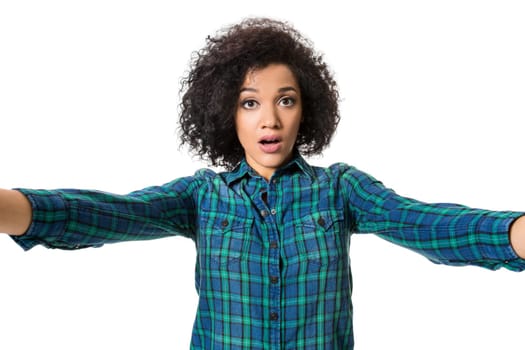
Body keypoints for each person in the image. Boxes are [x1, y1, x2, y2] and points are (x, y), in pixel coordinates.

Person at [1, 17, 524, 349]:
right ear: (226, 111)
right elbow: (107, 213)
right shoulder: (202, 196)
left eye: (286, 99)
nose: (269, 119)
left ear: (306, 109)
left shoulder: (339, 190)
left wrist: (515, 233)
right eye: (250, 102)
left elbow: (422, 222)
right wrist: (9, 208)